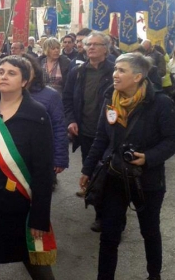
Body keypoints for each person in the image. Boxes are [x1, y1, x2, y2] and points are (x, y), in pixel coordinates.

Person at [79, 53, 175, 280]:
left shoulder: (160, 102)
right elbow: (100, 138)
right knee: (109, 234)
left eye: (121, 70)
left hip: (147, 180)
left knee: (150, 230)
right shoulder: (110, 98)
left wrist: (149, 157)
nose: (115, 74)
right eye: (115, 69)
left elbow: (174, 140)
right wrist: (87, 170)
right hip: (114, 176)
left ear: (137, 77)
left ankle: (154, 275)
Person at [0, 56, 56, 280]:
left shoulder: (37, 115)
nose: (4, 76)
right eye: (1, 72)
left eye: (12, 73)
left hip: (16, 206)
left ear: (25, 81)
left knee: (36, 263)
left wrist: (39, 217)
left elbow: (44, 172)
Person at [63, 31, 114, 231]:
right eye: (87, 44)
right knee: (92, 173)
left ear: (106, 48)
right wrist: (71, 120)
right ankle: (100, 214)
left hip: (111, 135)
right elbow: (67, 99)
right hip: (85, 133)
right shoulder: (77, 72)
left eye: (95, 44)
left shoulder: (115, 71)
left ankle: (116, 217)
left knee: (111, 176)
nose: (90, 47)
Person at [23, 53, 69, 190]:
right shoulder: (6, 95)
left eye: (27, 69)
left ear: (35, 72)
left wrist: (59, 159)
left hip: (41, 156)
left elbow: (59, 127)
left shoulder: (50, 95)